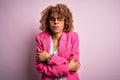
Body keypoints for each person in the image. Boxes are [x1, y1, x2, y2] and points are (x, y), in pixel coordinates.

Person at [35, 4, 80, 80]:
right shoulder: (40, 38)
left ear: (65, 21)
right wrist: (67, 68)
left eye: (60, 19)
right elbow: (40, 67)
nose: (56, 22)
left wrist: (49, 57)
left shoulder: (73, 37)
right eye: (52, 19)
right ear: (47, 21)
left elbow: (74, 65)